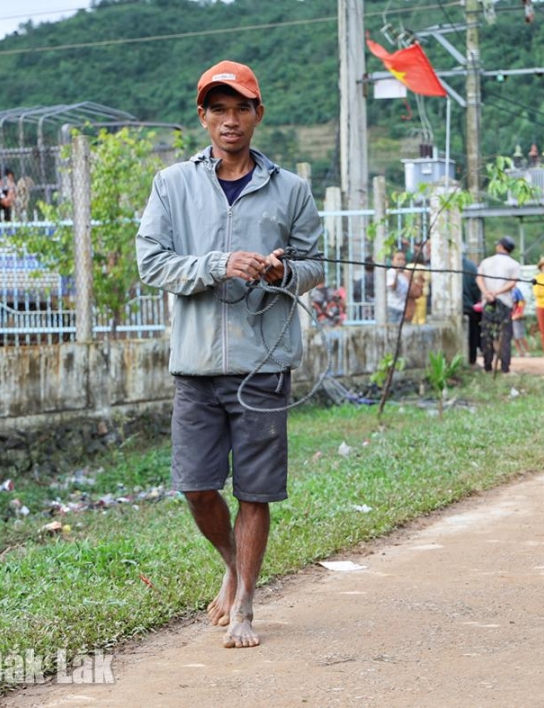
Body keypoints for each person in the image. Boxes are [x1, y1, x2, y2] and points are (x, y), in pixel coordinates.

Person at [136, 60, 324, 649]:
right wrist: (218, 264)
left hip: (263, 363)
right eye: (218, 109)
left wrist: (282, 269)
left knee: (256, 492)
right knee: (196, 487)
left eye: (241, 107)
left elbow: (315, 265)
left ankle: (244, 604)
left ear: (258, 114)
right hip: (195, 366)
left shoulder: (291, 189)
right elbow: (152, 263)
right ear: (203, 117)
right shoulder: (172, 184)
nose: (230, 120)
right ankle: (234, 566)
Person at [476, 237, 521, 373]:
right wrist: (497, 292)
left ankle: (487, 365)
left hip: (488, 301)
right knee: (504, 334)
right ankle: (505, 367)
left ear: (500, 246)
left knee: (487, 333)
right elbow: (512, 283)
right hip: (504, 301)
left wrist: (487, 293)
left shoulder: (486, 262)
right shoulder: (514, 264)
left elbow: (479, 279)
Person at [462, 254, 483, 365]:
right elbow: (475, 288)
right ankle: (471, 360)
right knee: (472, 336)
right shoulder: (471, 266)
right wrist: (475, 302)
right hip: (469, 306)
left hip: (451, 308)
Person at [386, 250, 409, 324]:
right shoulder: (391, 272)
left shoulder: (404, 275)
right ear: (392, 261)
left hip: (402, 308)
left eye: (403, 260)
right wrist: (396, 272)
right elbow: (392, 286)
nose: (401, 262)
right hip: (393, 308)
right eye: (398, 259)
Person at [352, 256, 376, 321]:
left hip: (361, 314)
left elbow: (354, 297)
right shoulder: (379, 282)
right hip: (374, 313)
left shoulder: (359, 283)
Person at [511, 286, 529, 357]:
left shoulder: (516, 290)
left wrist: (520, 312)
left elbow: (522, 301)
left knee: (520, 336)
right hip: (510, 316)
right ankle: (520, 352)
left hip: (517, 317)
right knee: (514, 337)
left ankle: (527, 351)